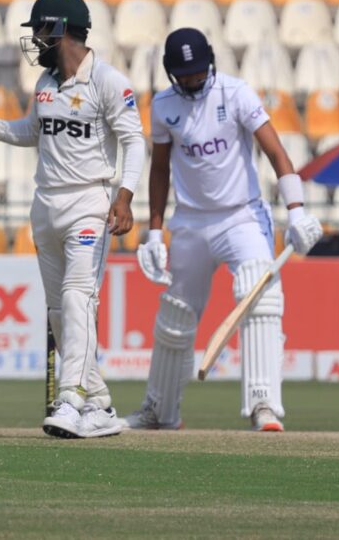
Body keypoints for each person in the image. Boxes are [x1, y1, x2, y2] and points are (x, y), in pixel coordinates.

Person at [0, 0, 145, 439]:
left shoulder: (108, 81)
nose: (36, 40)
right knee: (59, 310)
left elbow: (134, 141)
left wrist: (125, 196)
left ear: (61, 30)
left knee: (80, 299)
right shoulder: (45, 85)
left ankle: (71, 398)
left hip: (88, 202)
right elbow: (32, 132)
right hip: (46, 204)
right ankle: (99, 405)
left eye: (40, 31)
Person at [126, 27, 323, 433]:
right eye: (186, 76)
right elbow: (159, 169)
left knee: (260, 298)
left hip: (242, 216)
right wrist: (153, 232)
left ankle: (263, 405)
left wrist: (297, 212)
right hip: (191, 222)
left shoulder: (235, 93)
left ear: (211, 63)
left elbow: (276, 152)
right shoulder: (164, 106)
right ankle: (159, 411)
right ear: (170, 73)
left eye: (199, 73)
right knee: (175, 314)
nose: (194, 81)